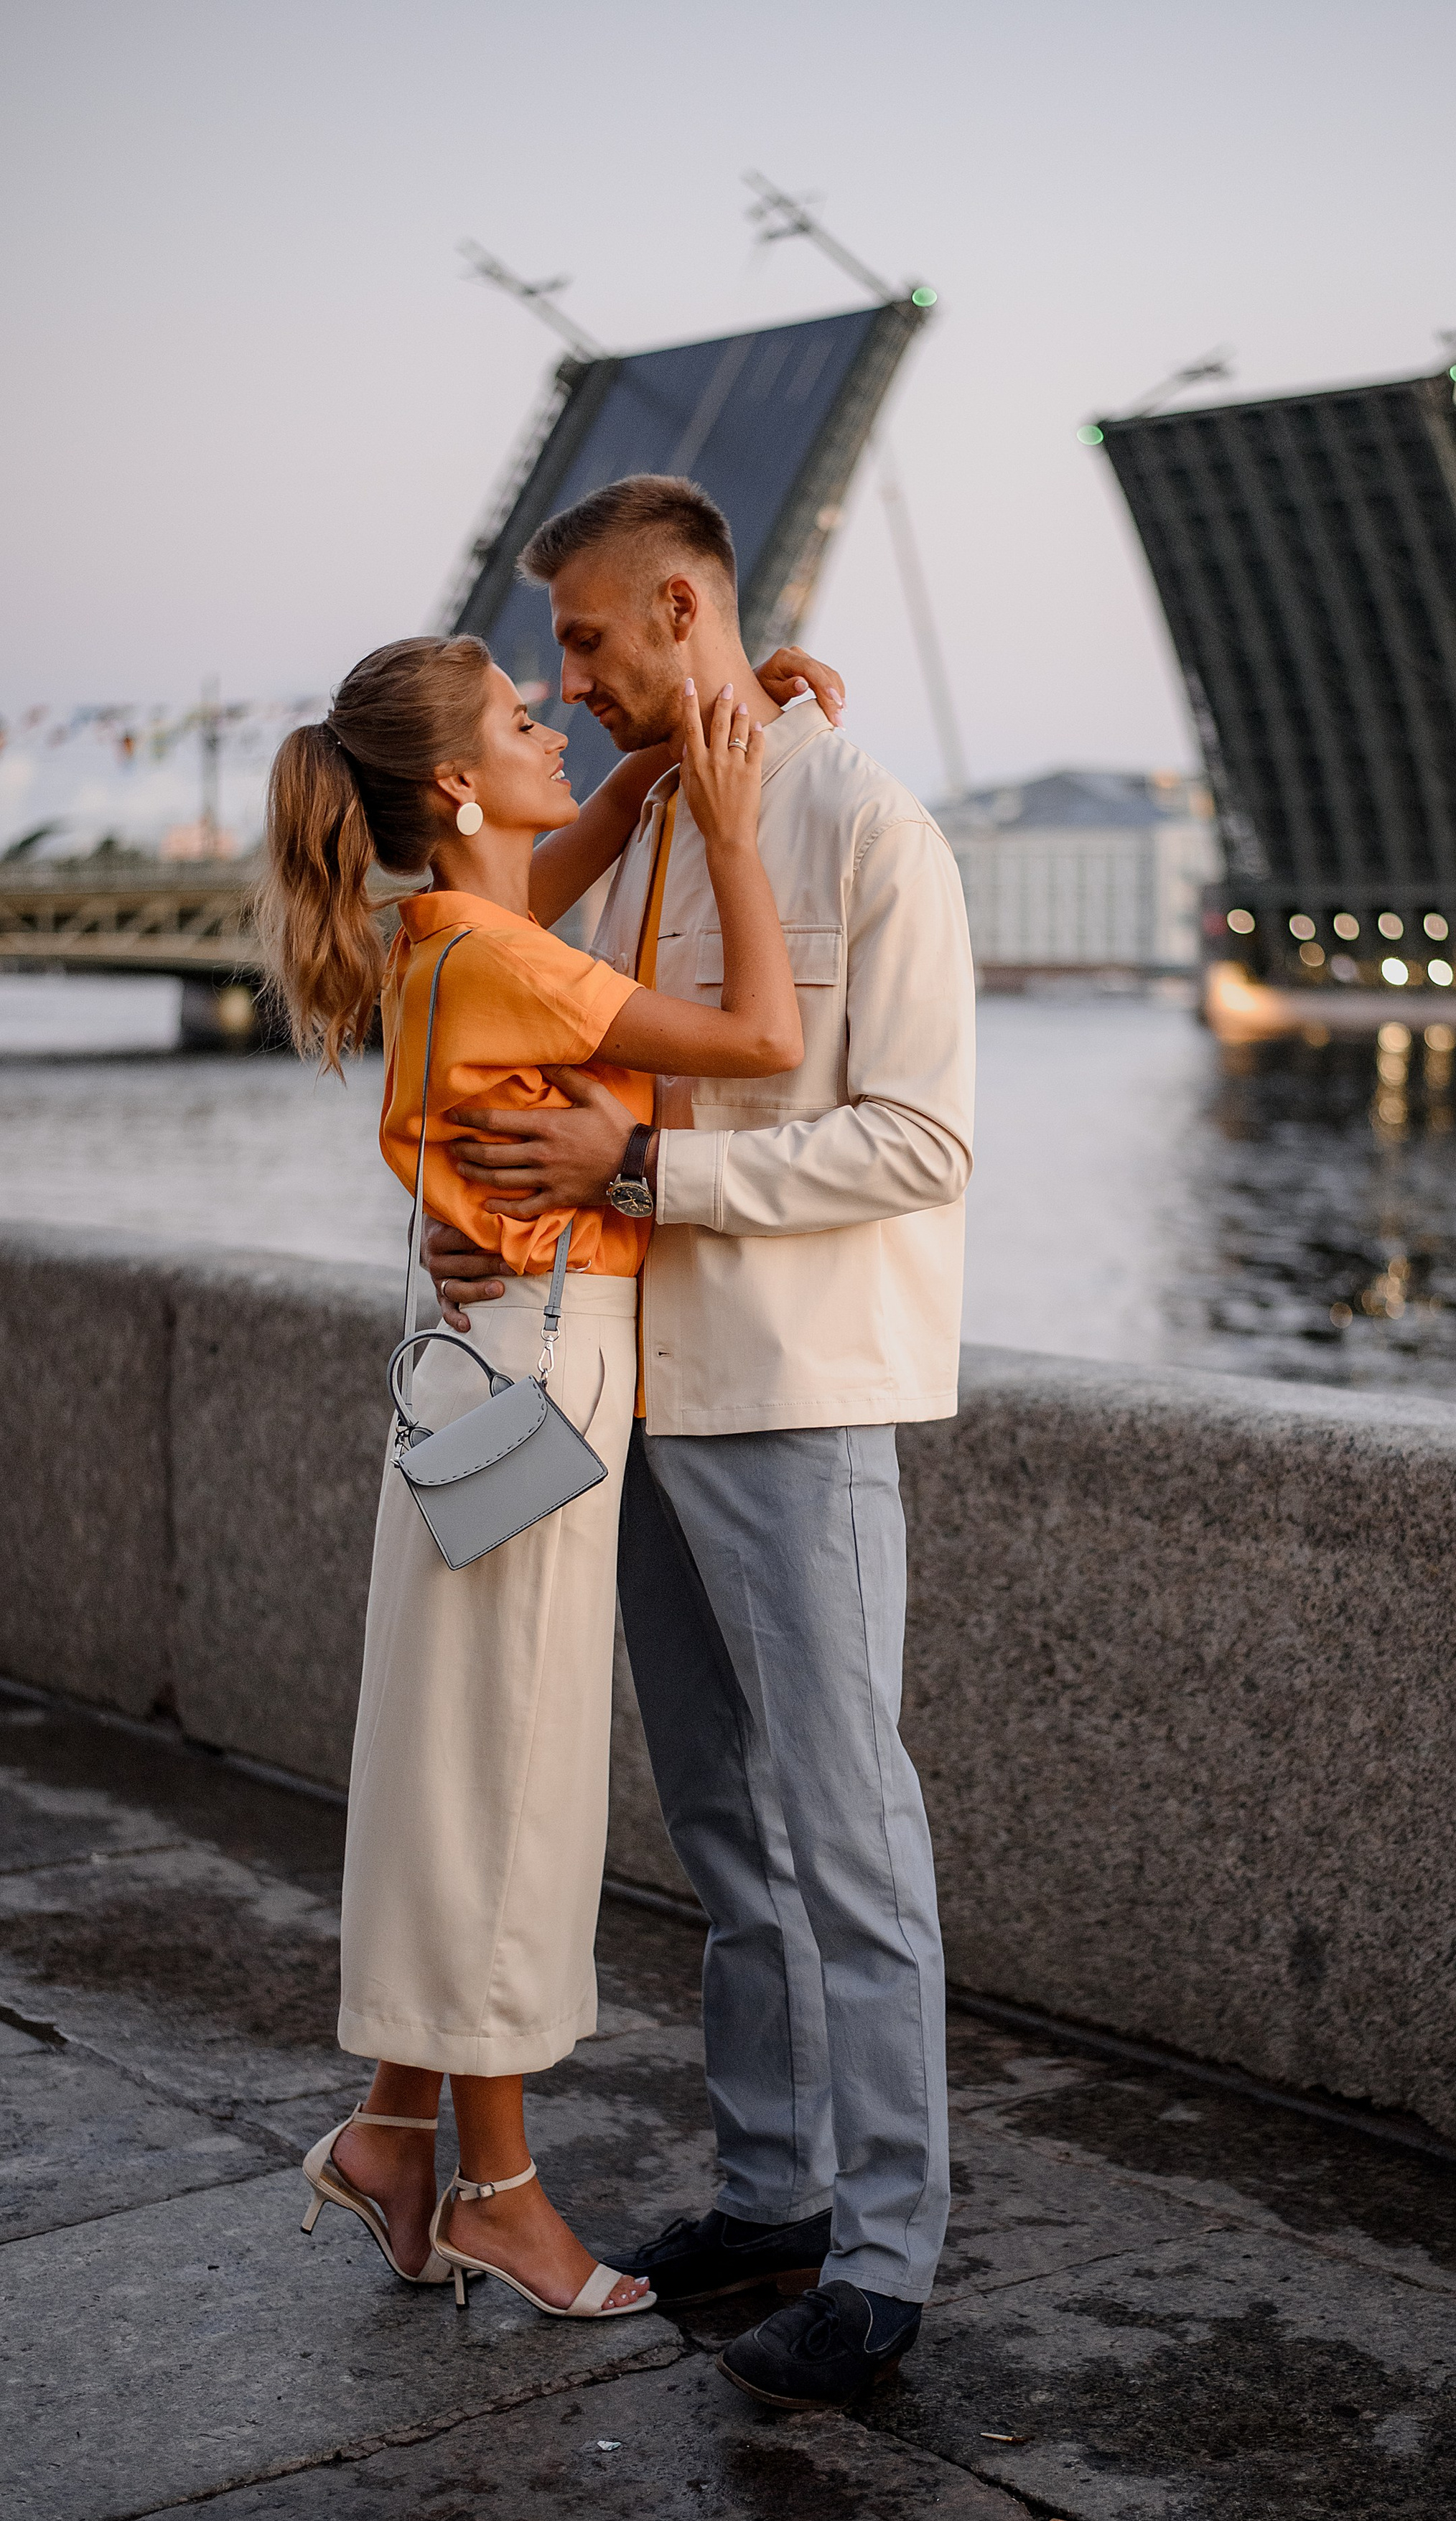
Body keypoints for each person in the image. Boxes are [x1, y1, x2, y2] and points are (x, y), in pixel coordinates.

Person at [425, 472, 976, 2406]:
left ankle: (890, 2258)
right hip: (638, 1397)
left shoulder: (870, 825)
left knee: (852, 1834)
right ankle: (772, 2196)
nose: (568, 681)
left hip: (801, 1399)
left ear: (679, 607)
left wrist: (638, 1167)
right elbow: (516, 989)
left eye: (585, 639)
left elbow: (921, 1139)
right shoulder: (653, 808)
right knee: (727, 1826)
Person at [261, 625, 820, 2319]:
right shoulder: (503, 960)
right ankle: (497, 2193)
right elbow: (765, 1040)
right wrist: (726, 816)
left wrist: (691, 737)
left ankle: (391, 2138)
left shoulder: (443, 932)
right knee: (504, 1788)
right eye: (525, 718)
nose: (558, 727)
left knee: (462, 1765)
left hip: (489, 1383)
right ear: (453, 780)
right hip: (542, 1385)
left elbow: (557, 851)